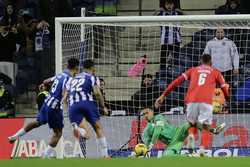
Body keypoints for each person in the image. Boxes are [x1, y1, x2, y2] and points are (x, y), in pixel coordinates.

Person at [155, 54, 229, 154]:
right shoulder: (215, 72)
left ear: (200, 61)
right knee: (206, 126)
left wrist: (164, 95)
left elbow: (177, 81)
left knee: (192, 124)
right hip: (206, 101)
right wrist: (228, 98)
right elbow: (224, 87)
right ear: (211, 62)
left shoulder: (193, 70)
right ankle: (202, 150)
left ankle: (191, 140)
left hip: (191, 101)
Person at [8, 58, 79, 158]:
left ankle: (16, 136)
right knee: (58, 133)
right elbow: (64, 92)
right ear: (76, 67)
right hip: (55, 108)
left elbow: (46, 81)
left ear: (67, 65)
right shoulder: (70, 78)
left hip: (47, 102)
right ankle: (45, 155)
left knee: (37, 122)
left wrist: (43, 85)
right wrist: (65, 101)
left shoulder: (60, 74)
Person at [66, 59, 109, 158]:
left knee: (86, 134)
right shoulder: (92, 77)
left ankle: (79, 131)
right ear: (92, 68)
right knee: (98, 128)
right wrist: (103, 106)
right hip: (87, 103)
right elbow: (97, 93)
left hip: (72, 106)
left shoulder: (73, 78)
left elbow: (66, 95)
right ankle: (105, 156)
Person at [158, 0, 182, 72]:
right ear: (164, 5)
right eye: (167, 4)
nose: (169, 6)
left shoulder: (177, 13)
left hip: (176, 40)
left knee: (177, 59)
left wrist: (181, 11)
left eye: (171, 4)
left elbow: (190, 18)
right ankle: (162, 74)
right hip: (165, 41)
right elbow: (150, 19)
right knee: (163, 60)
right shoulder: (161, 14)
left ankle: (176, 73)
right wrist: (157, 11)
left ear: (174, 5)